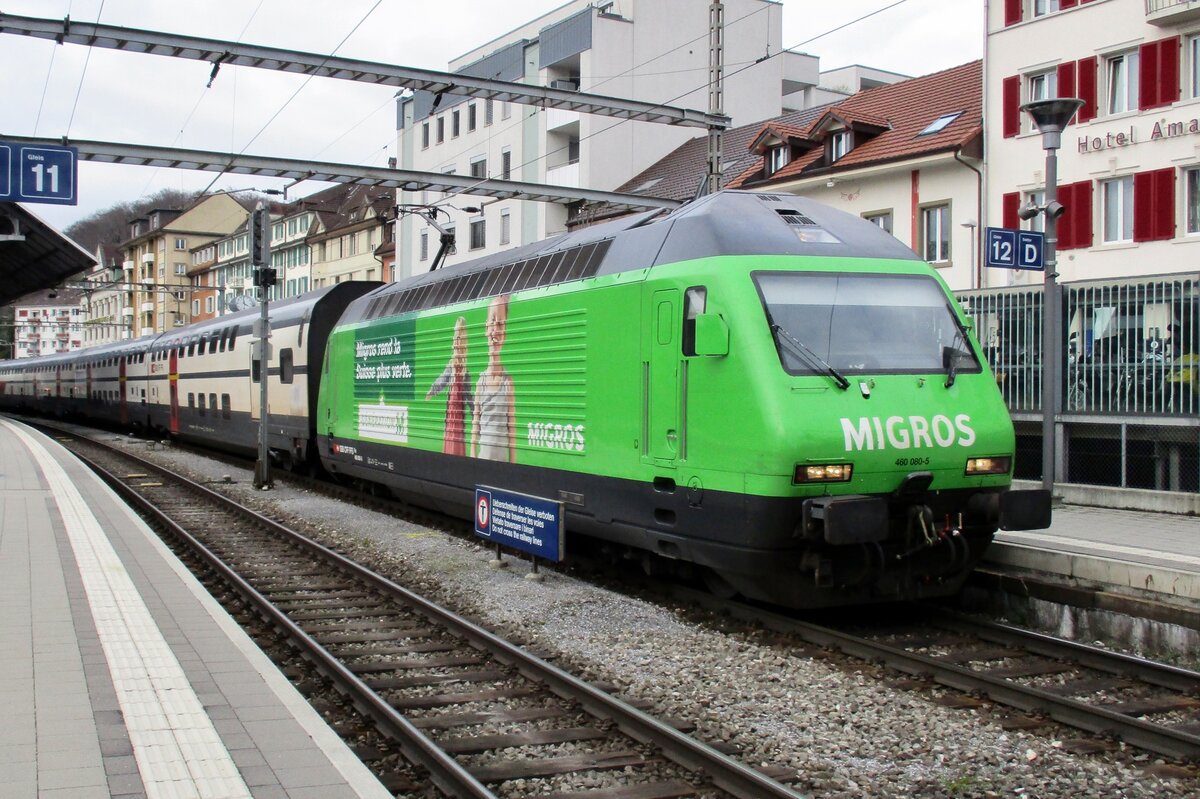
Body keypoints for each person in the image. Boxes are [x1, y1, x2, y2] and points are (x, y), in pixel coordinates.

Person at [472, 295, 516, 462]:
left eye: (500, 324)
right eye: (492, 322)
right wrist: (472, 453)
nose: (495, 330)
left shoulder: (507, 382)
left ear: (505, 332)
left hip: (502, 461)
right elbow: (476, 421)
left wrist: (513, 463)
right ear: (485, 327)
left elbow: (511, 426)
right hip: (482, 457)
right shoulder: (480, 382)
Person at [426, 317, 472, 455]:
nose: (457, 341)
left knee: (458, 435)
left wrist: (475, 410)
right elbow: (443, 379)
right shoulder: (451, 364)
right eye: (456, 337)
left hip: (459, 410)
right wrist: (432, 391)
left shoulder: (465, 369)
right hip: (452, 408)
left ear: (464, 341)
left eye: (460, 338)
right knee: (451, 433)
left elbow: (468, 393)